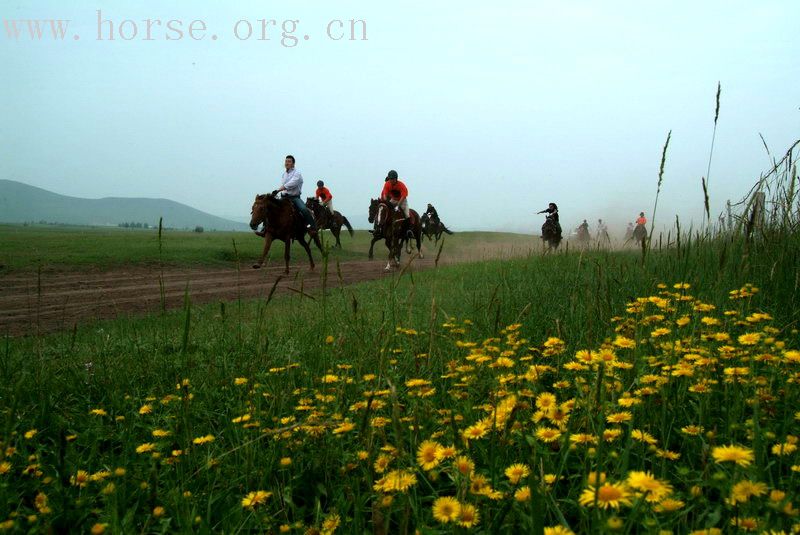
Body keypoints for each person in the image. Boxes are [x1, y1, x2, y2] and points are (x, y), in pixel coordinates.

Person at [272, 154, 317, 236]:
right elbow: (284, 186)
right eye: (286, 161)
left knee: (303, 209)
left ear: (293, 164)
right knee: (272, 207)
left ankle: (311, 227)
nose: (287, 163)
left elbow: (292, 184)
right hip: (284, 197)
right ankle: (268, 228)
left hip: (294, 198)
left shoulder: (297, 173)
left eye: (289, 161)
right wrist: (279, 192)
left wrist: (279, 189)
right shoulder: (284, 174)